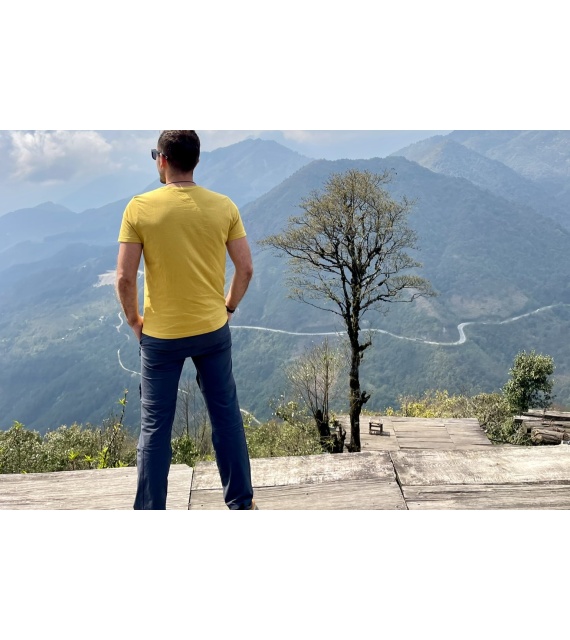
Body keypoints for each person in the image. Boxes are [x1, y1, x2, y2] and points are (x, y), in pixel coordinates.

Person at [115, 130, 256, 510]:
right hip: (212, 330)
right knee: (225, 416)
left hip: (160, 336)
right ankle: (241, 503)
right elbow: (245, 269)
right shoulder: (223, 206)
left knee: (155, 428)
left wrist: (135, 322)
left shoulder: (139, 208)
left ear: (162, 159)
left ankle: (151, 511)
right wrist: (228, 308)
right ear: (196, 161)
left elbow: (125, 278)